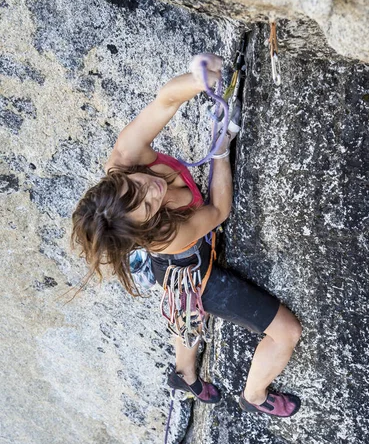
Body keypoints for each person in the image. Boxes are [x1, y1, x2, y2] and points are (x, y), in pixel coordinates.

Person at [71, 53, 302, 418]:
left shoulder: (127, 154)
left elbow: (165, 100)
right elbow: (218, 211)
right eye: (147, 206)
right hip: (191, 272)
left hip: (175, 271)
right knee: (285, 332)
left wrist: (198, 80)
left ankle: (185, 375)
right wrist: (220, 149)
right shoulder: (168, 234)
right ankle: (255, 394)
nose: (153, 191)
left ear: (119, 177)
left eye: (137, 186)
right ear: (143, 228)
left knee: (185, 315)